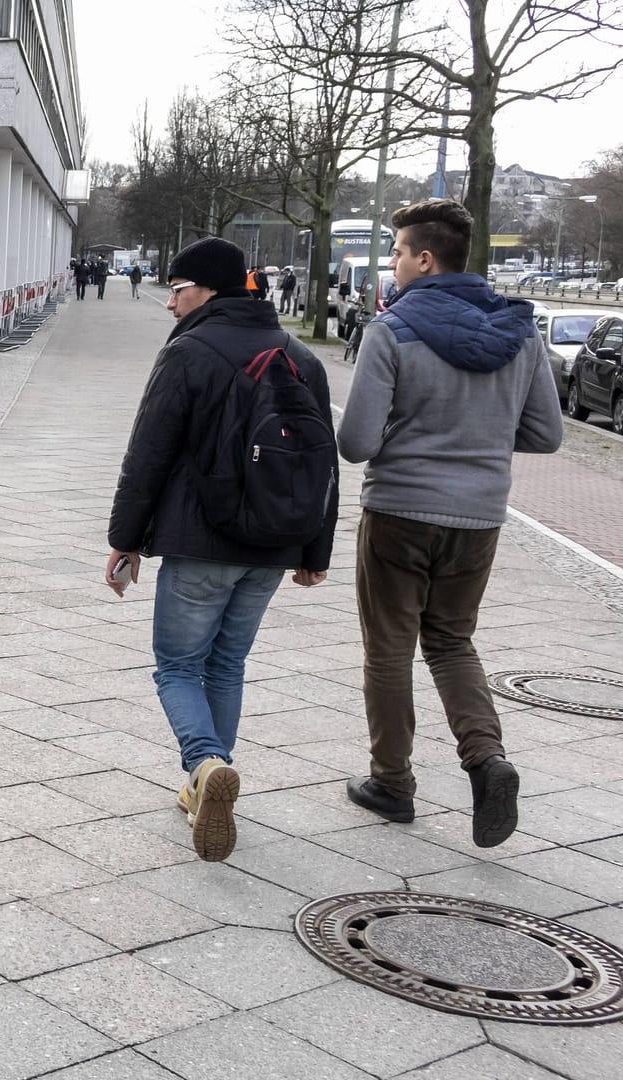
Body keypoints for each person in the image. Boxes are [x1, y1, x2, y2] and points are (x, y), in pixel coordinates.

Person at [337, 199, 562, 847]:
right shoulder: (519, 333)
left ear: (425, 259)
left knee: (389, 649)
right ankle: (487, 759)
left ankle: (392, 783)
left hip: (400, 514)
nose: (395, 263)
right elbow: (546, 434)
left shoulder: (393, 330)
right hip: (480, 518)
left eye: (400, 252)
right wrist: (481, 436)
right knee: (452, 641)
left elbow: (355, 442)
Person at [104, 236, 337, 863]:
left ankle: (206, 765)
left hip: (200, 540)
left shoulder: (191, 351)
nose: (170, 305)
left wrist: (124, 539)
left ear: (205, 289)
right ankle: (200, 786)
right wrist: (316, 549)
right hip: (273, 544)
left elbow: (147, 452)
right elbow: (325, 464)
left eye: (176, 291)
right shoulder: (299, 356)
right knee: (227, 665)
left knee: (178, 666)